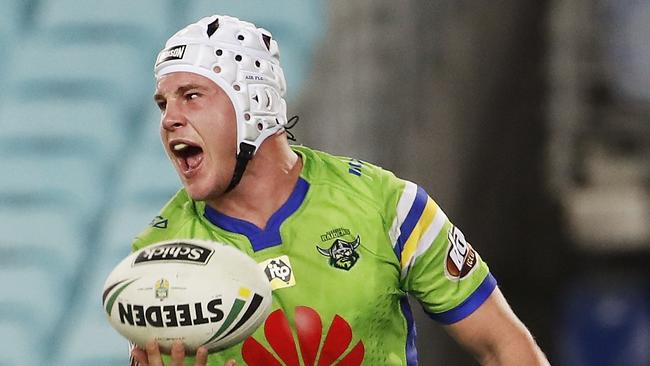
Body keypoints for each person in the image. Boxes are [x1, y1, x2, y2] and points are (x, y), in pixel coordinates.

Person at [130, 14, 549, 366]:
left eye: (191, 96)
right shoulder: (159, 258)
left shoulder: (387, 205)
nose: (170, 118)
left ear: (253, 103)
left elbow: (503, 345)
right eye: (163, 103)